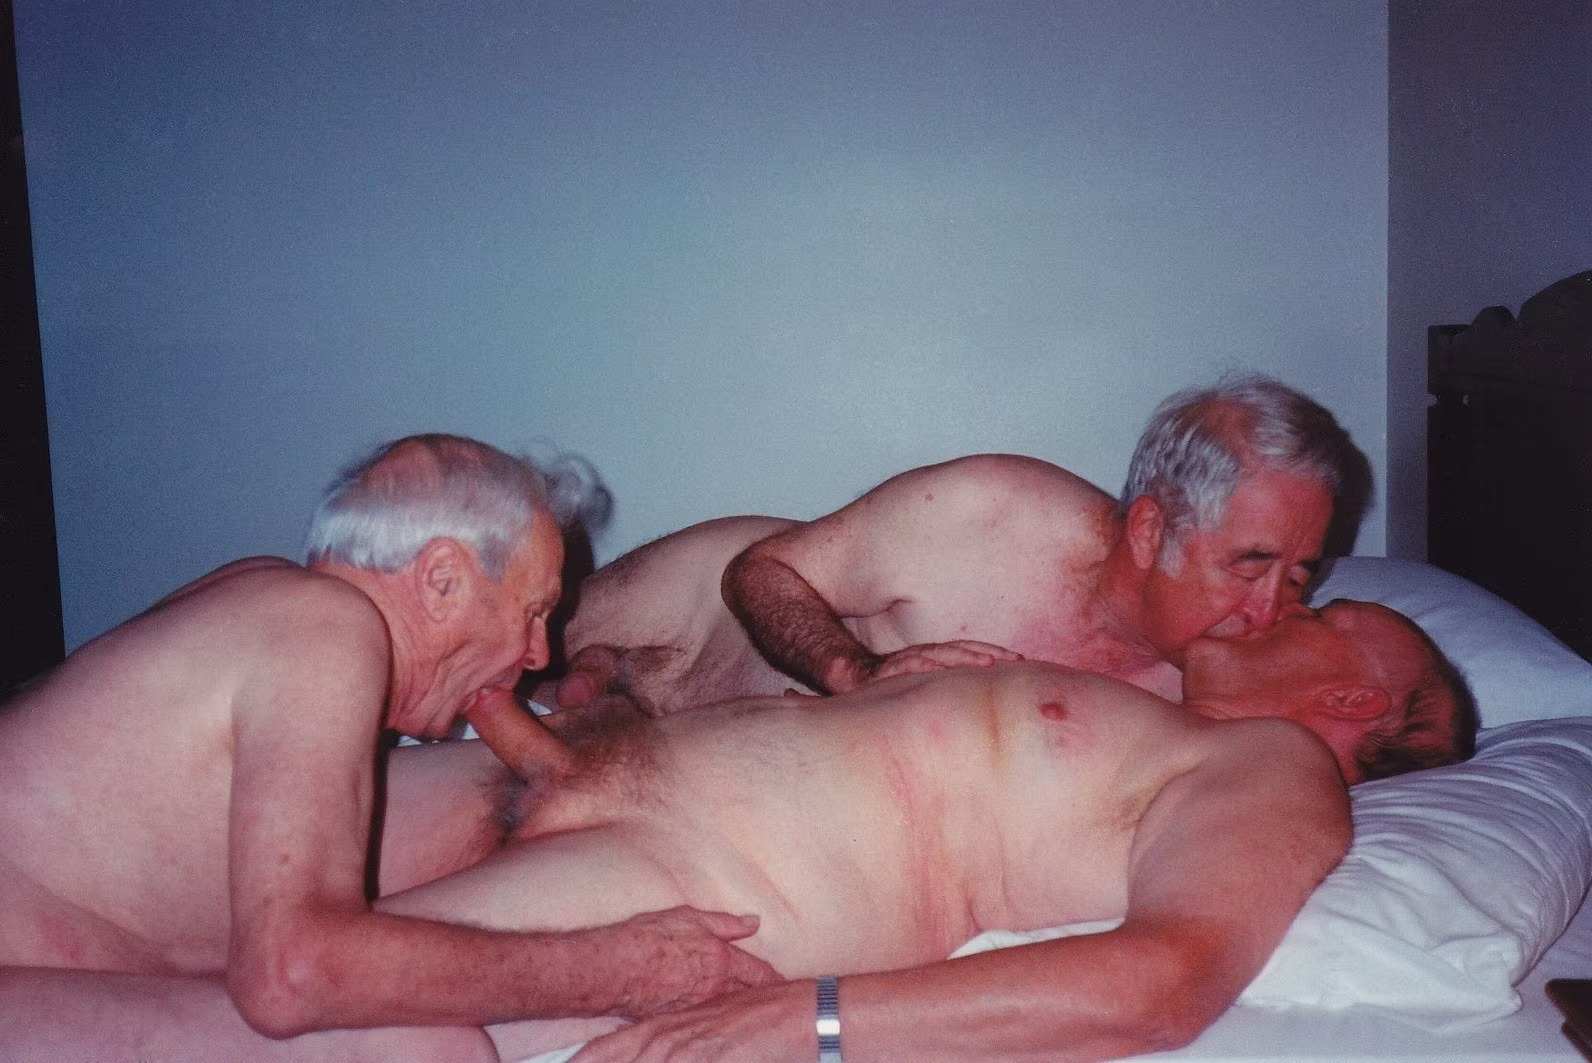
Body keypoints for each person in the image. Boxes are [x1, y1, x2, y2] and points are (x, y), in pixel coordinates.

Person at [381, 597, 1476, 1063]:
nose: (1281, 606)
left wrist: (799, 1021)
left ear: (1355, 702)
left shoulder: (1275, 767)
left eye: (1323, 616)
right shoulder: (1153, 714)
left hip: (686, 878)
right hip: (562, 765)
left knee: (311, 1004)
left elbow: (1165, 980)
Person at [0, 434, 775, 1062]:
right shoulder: (325, 632)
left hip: (36, 972)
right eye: (534, 611)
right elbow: (293, 973)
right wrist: (623, 966)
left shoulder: (269, 597)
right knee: (426, 1048)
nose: (540, 652)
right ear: (441, 580)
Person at [547, 374, 1362, 716]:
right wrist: (856, 673)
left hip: (720, 751)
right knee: (518, 632)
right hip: (703, 612)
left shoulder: (1229, 681)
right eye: (1250, 564)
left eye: (1301, 575)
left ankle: (601, 690)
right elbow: (761, 571)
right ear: (1149, 530)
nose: (1270, 610)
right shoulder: (995, 510)